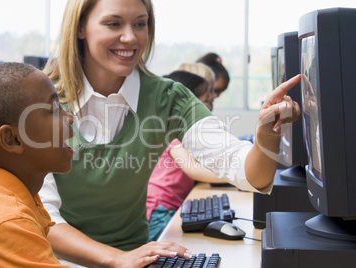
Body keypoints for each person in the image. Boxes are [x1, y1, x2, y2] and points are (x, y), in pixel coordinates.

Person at [38, 0, 301, 267]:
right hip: (60, 261)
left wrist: (267, 133)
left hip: (136, 258)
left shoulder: (168, 98)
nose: (130, 37)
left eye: (140, 24)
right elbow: (44, 219)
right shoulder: (41, 99)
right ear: (80, 27)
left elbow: (249, 172)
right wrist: (118, 259)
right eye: (114, 23)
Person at [0, 62, 74, 267]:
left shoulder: (9, 194)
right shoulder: (8, 221)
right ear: (12, 140)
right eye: (54, 110)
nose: (70, 117)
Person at [147, 70, 227, 241]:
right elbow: (193, 169)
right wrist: (239, 176)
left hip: (171, 207)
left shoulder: (184, 132)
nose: (209, 107)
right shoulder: (172, 134)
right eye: (206, 101)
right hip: (160, 211)